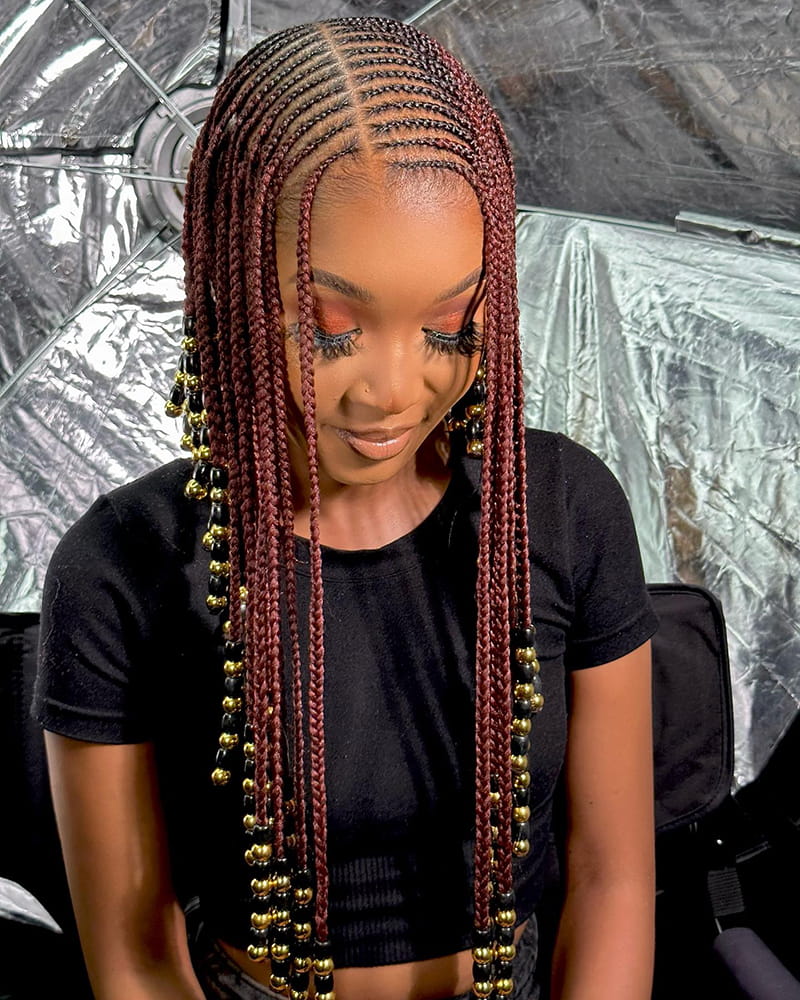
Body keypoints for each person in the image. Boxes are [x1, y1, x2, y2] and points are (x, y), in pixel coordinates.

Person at [35, 16, 658, 1000]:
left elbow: (611, 873)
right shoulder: (119, 567)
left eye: (449, 324)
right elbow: (135, 953)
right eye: (329, 331)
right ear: (224, 291)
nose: (393, 390)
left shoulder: (565, 510)